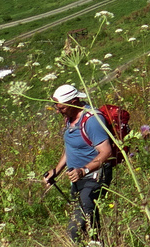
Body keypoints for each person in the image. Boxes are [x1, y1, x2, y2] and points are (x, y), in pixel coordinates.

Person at [43, 84, 116, 244]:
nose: (57, 111)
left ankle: (95, 242)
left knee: (78, 225)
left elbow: (106, 152)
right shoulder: (69, 119)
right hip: (77, 180)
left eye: (60, 108)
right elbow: (71, 147)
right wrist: (56, 170)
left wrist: (83, 170)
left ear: (74, 101)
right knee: (86, 222)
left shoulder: (91, 121)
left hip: (94, 178)